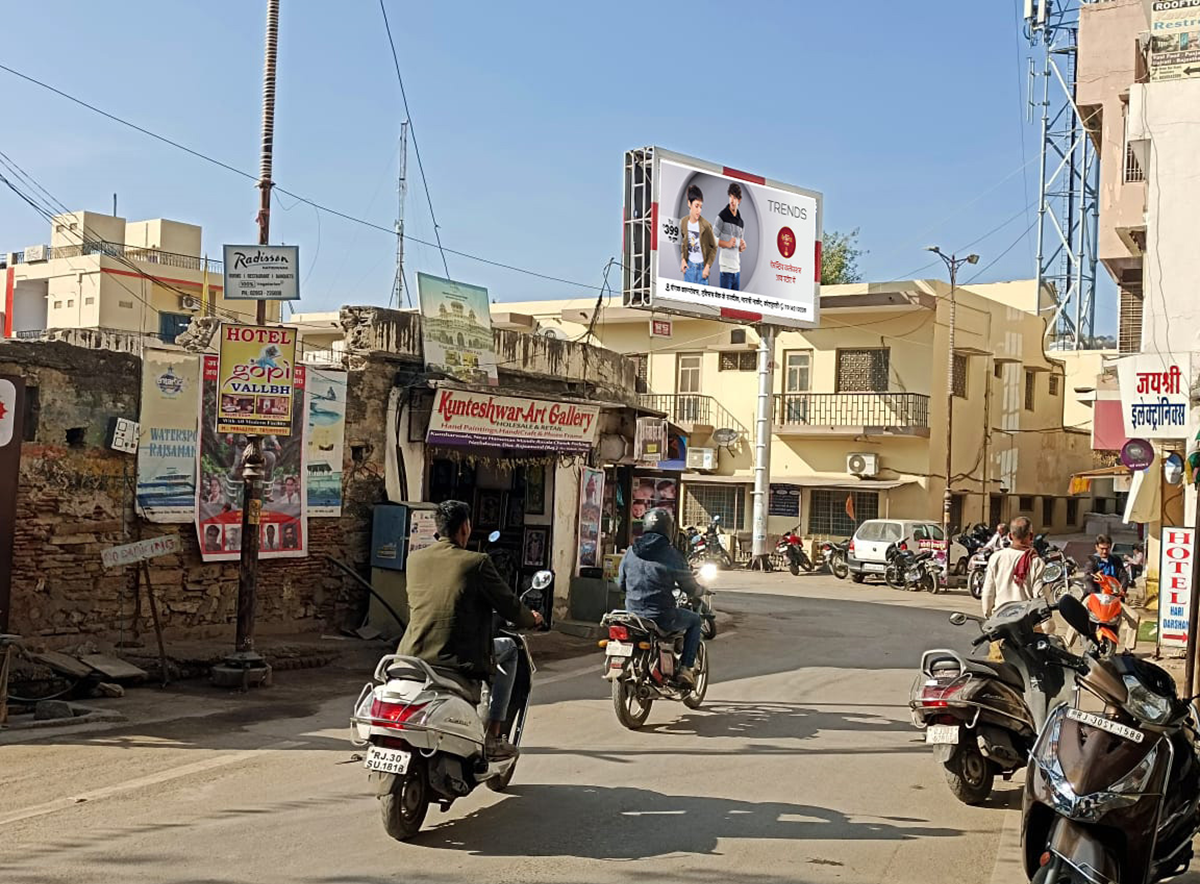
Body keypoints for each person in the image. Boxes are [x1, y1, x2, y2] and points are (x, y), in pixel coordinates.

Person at [398, 500, 543, 760]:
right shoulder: (476, 562)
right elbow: (510, 606)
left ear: (438, 528)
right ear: (465, 528)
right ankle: (494, 736)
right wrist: (531, 619)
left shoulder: (415, 560)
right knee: (510, 650)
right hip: (458, 657)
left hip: (412, 653)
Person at [618, 507, 705, 687]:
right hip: (661, 616)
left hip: (633, 614)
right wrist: (700, 591)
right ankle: (686, 668)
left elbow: (621, 584)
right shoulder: (672, 555)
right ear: (669, 529)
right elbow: (688, 586)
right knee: (695, 620)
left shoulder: (630, 551)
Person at [981, 516, 1047, 619]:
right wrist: (1047, 627)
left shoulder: (996, 558)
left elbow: (988, 592)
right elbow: (1040, 597)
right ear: (1031, 536)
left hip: (1000, 619)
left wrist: (988, 615)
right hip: (1025, 622)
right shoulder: (1036, 562)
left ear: (1010, 536)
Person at [678, 185, 716, 286]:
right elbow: (684, 243)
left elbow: (714, 247)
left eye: (701, 207)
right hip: (689, 269)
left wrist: (707, 267)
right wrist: (683, 260)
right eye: (696, 206)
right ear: (689, 204)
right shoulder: (683, 223)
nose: (699, 210)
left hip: (701, 270)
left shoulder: (706, 226)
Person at [714, 182, 748, 290]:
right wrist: (727, 244)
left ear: (739, 200)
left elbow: (738, 247)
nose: (732, 201)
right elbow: (711, 239)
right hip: (726, 270)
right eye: (730, 197)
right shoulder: (722, 216)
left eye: (735, 198)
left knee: (734, 307)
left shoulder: (741, 222)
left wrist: (742, 247)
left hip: (737, 271)